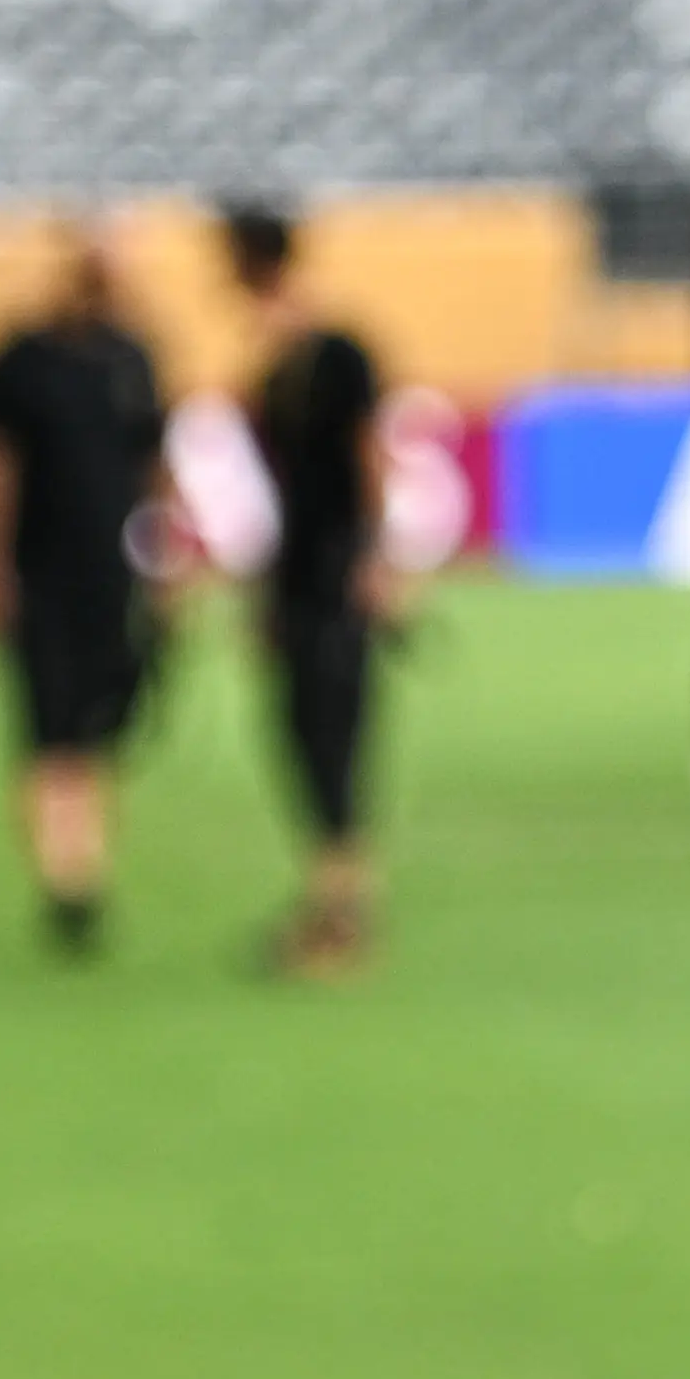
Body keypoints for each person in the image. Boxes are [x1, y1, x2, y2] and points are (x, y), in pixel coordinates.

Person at [0, 221, 169, 953]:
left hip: (108, 573)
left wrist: (167, 561)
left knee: (98, 728)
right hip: (39, 572)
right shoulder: (19, 361)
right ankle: (68, 879)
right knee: (50, 731)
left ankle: (82, 866)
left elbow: (154, 467)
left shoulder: (133, 359)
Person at [229, 206, 396, 977]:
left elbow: (368, 460)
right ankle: (331, 899)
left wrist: (373, 559)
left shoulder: (335, 353)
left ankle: (343, 915)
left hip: (332, 569)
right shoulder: (272, 356)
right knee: (300, 733)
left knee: (333, 734)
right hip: (296, 570)